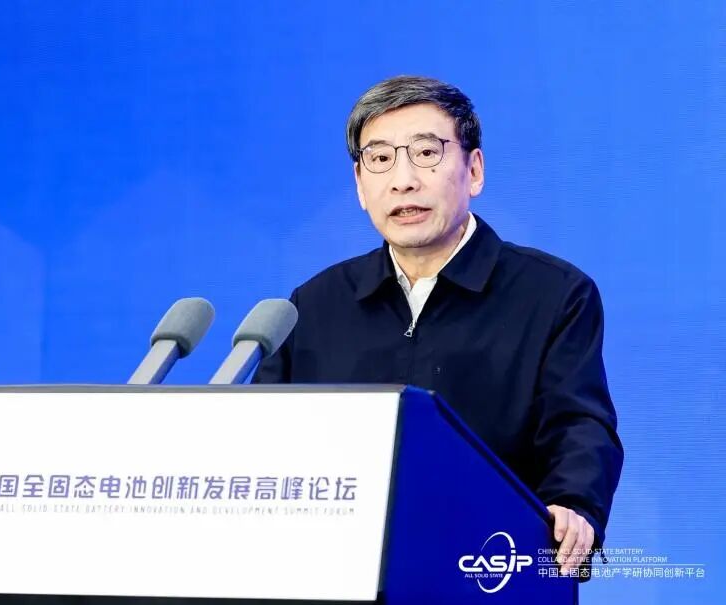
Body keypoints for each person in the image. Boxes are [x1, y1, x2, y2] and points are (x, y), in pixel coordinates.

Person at [252, 75, 624, 577]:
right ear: (360, 184)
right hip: (337, 572)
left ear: (474, 170)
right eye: (380, 159)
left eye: (426, 153)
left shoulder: (553, 293)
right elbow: (264, 439)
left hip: (489, 570)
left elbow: (579, 425)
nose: (403, 180)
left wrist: (574, 504)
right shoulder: (314, 305)